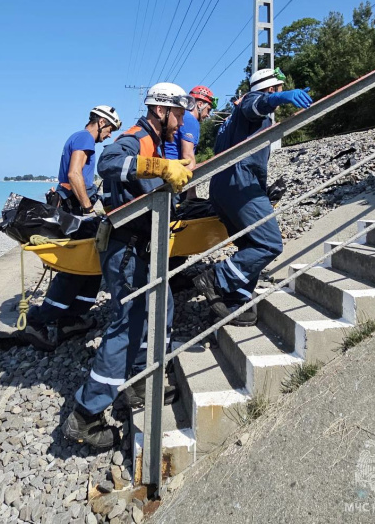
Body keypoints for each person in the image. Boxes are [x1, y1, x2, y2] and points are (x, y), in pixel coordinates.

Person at [63, 82, 195, 449]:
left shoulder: (159, 142)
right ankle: (85, 415)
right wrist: (161, 166)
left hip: (142, 245)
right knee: (131, 318)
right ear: (160, 111)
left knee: (163, 305)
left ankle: (139, 380)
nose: (182, 121)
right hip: (125, 247)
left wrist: (174, 169)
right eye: (178, 113)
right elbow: (107, 163)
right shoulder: (137, 138)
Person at [192, 68, 312, 327]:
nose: (281, 95)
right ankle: (216, 279)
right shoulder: (250, 104)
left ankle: (236, 300)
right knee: (269, 244)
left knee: (250, 246)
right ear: (271, 90)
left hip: (224, 187)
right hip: (240, 185)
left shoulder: (230, 122)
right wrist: (280, 98)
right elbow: (255, 104)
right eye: (279, 90)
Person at [20, 105, 123, 352]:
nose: (108, 135)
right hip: (74, 207)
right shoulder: (85, 137)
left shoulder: (80, 138)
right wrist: (88, 208)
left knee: (90, 265)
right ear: (100, 121)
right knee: (75, 268)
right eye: (109, 129)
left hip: (71, 205)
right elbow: (75, 173)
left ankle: (71, 319)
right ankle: (38, 321)